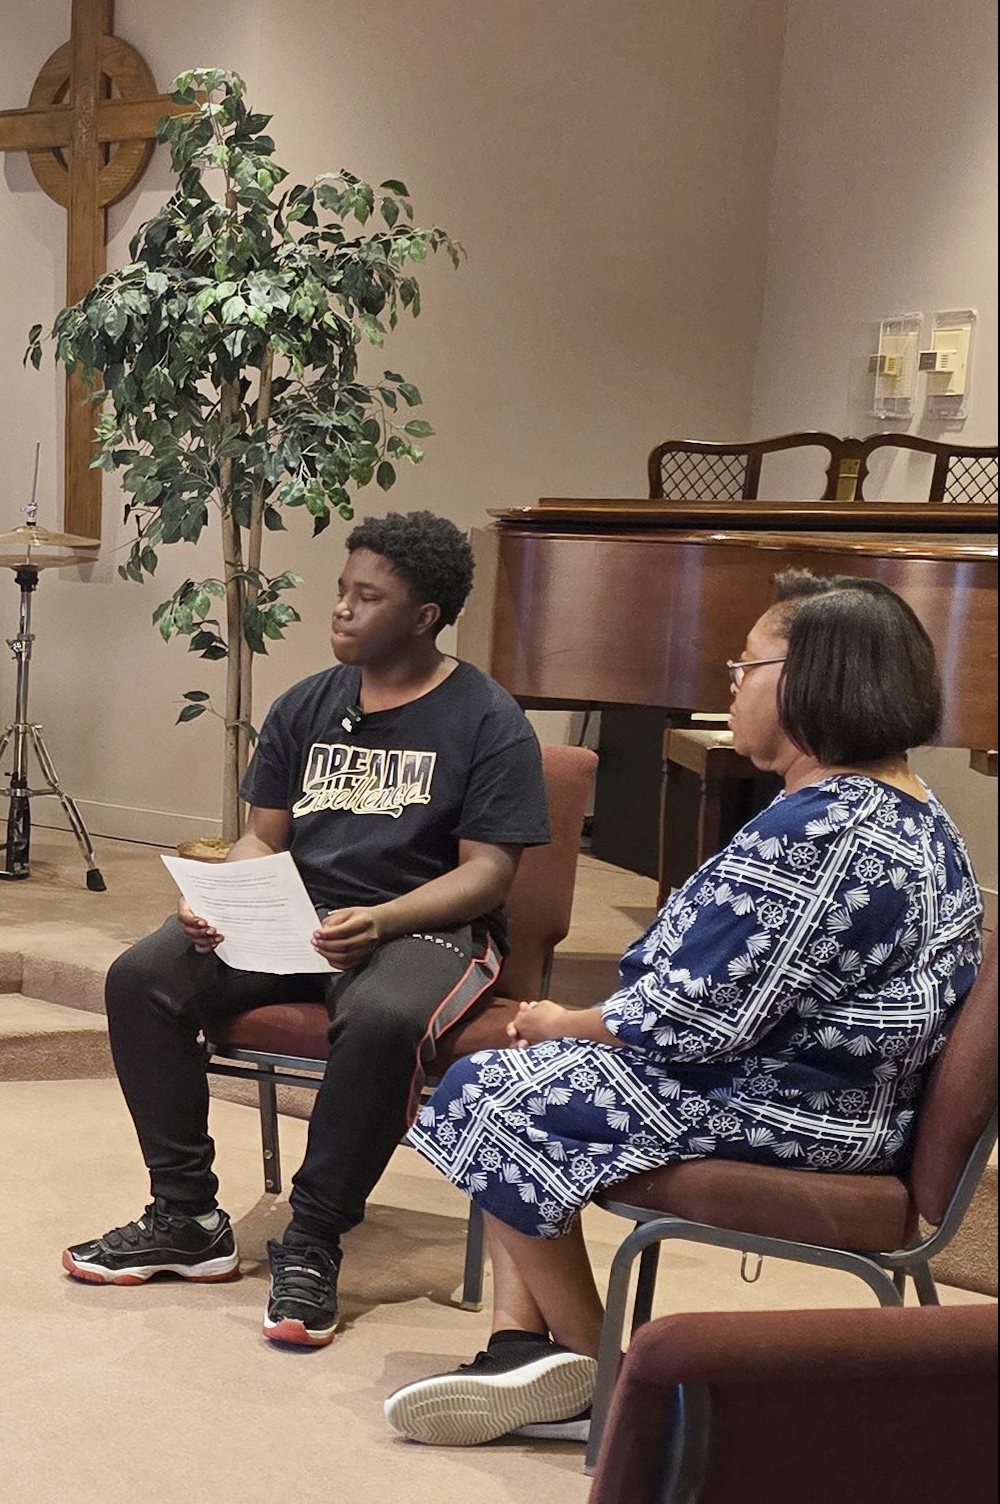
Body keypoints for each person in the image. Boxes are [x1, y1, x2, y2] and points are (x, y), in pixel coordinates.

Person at [386, 573, 982, 1447]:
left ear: (813, 678)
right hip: (826, 1088)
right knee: (511, 1076)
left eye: (748, 663)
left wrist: (566, 1019)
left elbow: (697, 1020)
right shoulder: (898, 805)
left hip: (804, 1107)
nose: (729, 682)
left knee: (488, 1086)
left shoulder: (829, 831)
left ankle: (612, 1382)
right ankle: (522, 1348)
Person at [65, 510, 551, 1349]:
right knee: (141, 975)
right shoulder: (307, 704)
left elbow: (488, 872)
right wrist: (226, 895)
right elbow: (264, 834)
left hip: (425, 925)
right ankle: (186, 1217)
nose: (342, 609)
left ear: (425, 615)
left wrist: (384, 918)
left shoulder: (486, 717)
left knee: (385, 1017)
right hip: (298, 915)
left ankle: (315, 1237)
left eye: (369, 597)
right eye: (342, 590)